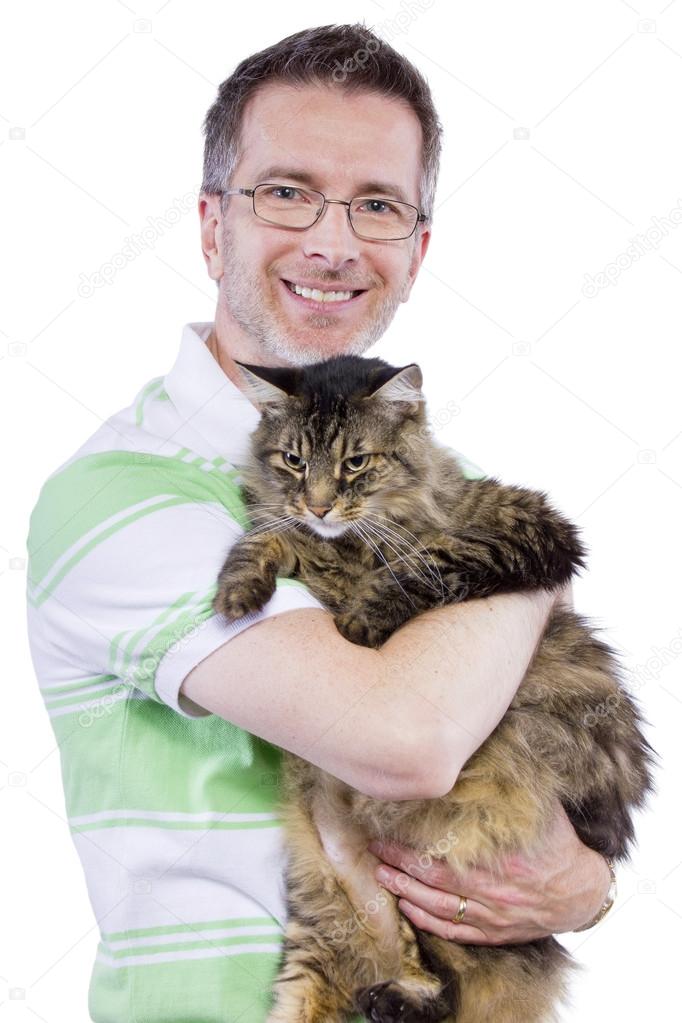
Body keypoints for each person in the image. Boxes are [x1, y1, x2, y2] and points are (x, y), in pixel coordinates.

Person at [25, 22, 614, 1023]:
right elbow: (409, 740)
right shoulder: (120, 495)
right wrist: (528, 559)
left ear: (416, 250)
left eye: (376, 205)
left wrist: (582, 884)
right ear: (213, 225)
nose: (334, 244)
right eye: (287, 191)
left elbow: (539, 747)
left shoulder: (425, 470)